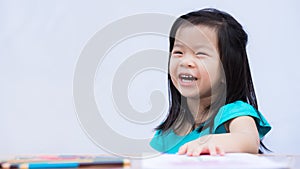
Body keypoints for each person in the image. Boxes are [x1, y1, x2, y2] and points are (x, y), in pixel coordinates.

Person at [150, 8, 271, 156]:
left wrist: (209, 142)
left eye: (200, 54)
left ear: (226, 70)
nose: (185, 61)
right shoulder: (168, 131)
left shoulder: (233, 112)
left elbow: (248, 140)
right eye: (178, 52)